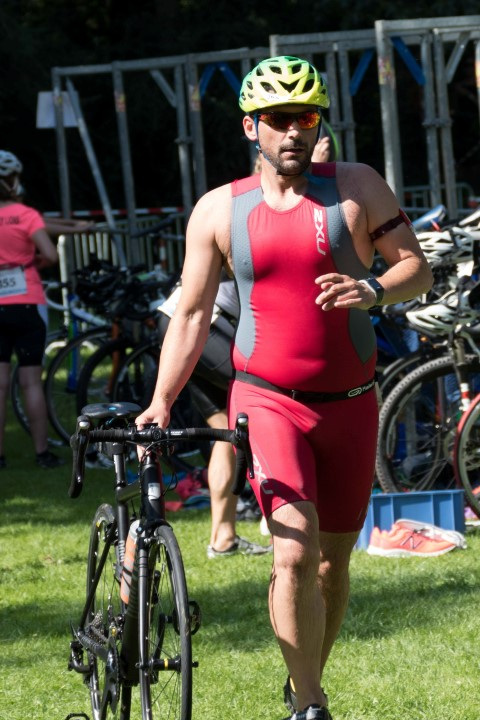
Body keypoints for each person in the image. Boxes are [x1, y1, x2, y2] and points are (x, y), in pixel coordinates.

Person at [136, 56, 433, 720]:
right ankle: (311, 704)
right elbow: (191, 313)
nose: (293, 131)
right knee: (294, 551)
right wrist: (160, 400)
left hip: (352, 405)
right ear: (251, 127)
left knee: (332, 565)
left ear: (319, 122)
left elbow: (417, 269)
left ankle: (303, 683)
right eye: (277, 119)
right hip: (267, 400)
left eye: (305, 117)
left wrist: (373, 288)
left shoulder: (358, 186)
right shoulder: (220, 209)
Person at [157, 274, 271, 557]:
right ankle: (275, 517)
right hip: (197, 323)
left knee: (226, 430)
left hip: (177, 319)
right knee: (270, 400)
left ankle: (223, 538)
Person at [0, 150, 65, 470]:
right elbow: (50, 254)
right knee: (31, 382)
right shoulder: (25, 214)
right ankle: (42, 453)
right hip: (26, 301)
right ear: (11, 181)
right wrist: (32, 262)